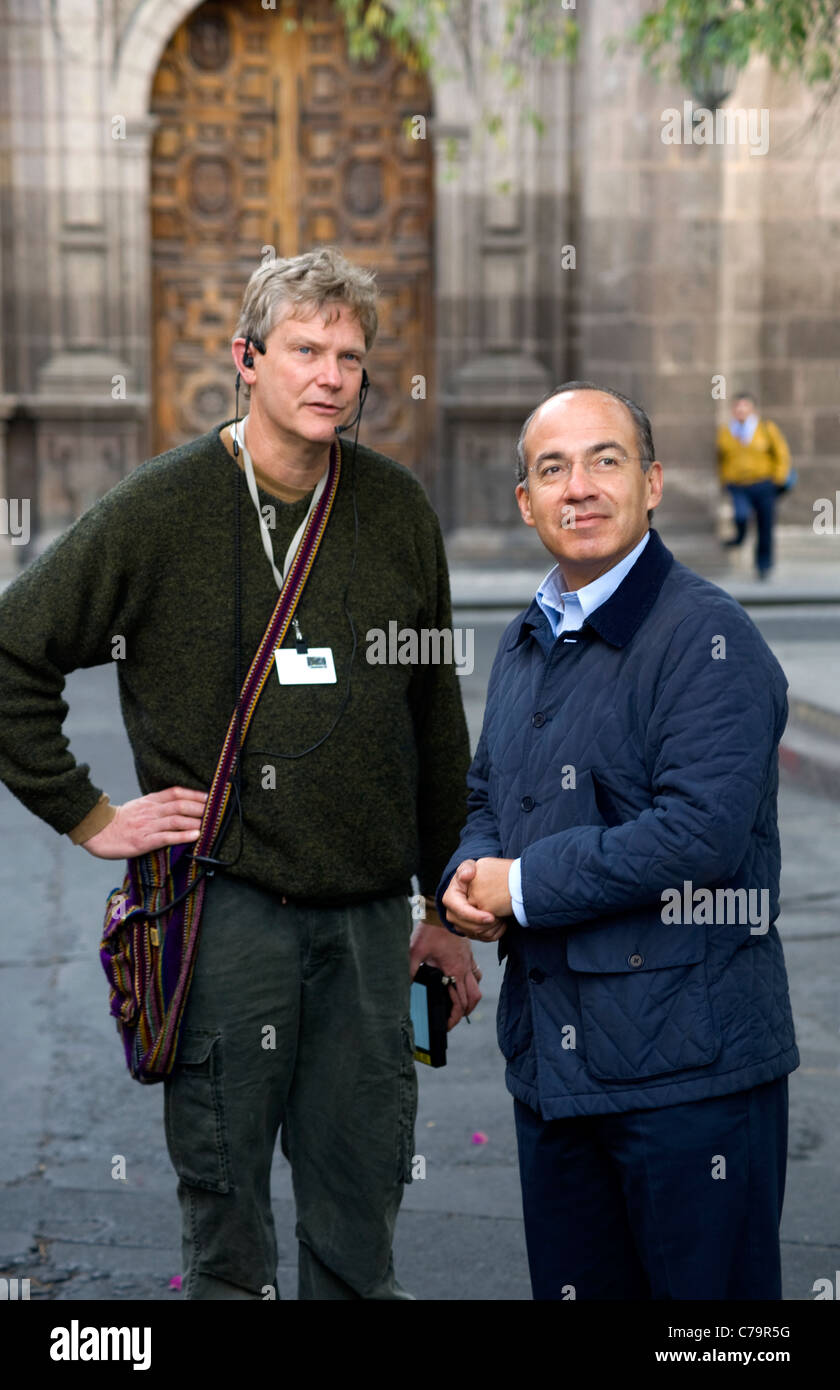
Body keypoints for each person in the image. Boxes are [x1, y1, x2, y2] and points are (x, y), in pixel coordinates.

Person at [0, 246, 479, 1301]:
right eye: (305, 349)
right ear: (247, 358)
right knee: (226, 1227)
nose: (330, 375)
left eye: (350, 356)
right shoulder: (163, 506)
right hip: (224, 920)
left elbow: (435, 724)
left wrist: (442, 903)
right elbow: (13, 649)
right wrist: (86, 813)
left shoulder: (397, 511)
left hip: (365, 933)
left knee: (362, 1219)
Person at [439, 381, 799, 1301]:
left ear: (653, 484)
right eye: (552, 469)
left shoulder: (707, 635)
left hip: (690, 1076)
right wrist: (464, 871)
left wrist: (516, 888)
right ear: (526, 502)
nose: (580, 487)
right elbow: (491, 794)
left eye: (606, 460)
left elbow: (698, 836)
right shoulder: (530, 635)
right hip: (558, 1073)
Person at [717, 391, 792, 579]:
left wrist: (778, 478)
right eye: (737, 407)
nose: (741, 410)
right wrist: (725, 480)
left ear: (752, 409)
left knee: (765, 525)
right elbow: (721, 459)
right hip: (738, 485)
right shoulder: (727, 432)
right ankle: (739, 537)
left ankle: (763, 565)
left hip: (764, 484)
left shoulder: (765, 428)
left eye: (745, 406)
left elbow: (781, 453)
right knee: (741, 515)